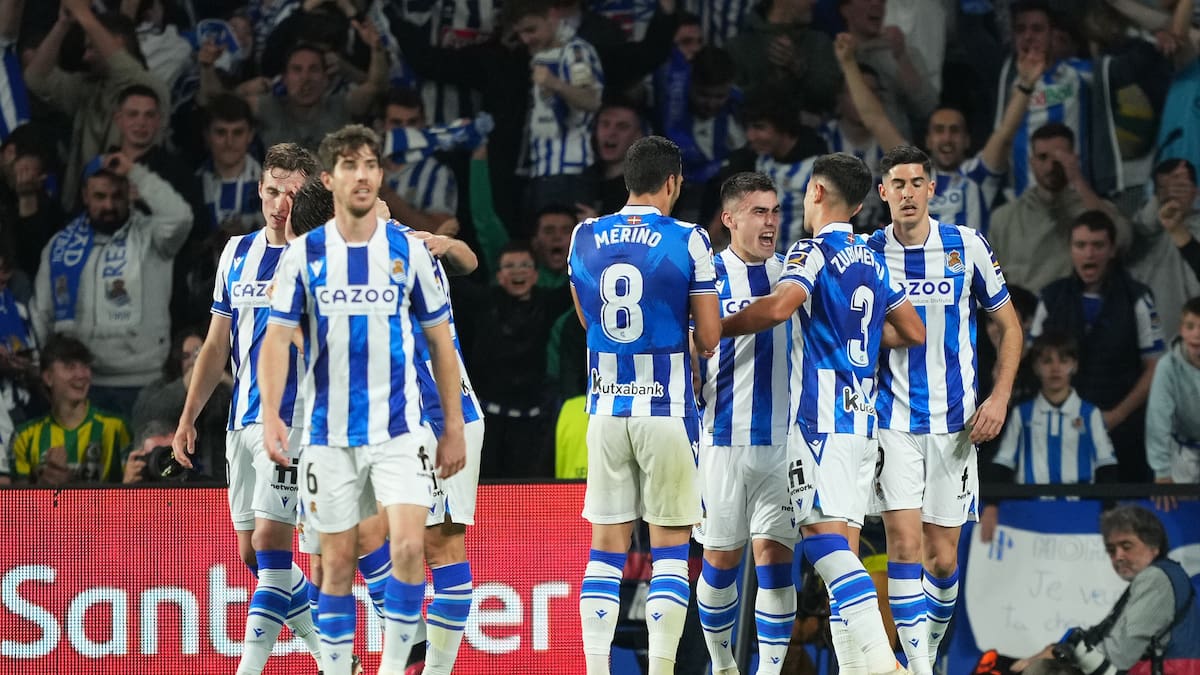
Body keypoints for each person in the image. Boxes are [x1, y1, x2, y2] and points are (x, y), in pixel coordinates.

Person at [260, 124, 466, 675]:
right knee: (336, 564)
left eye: (370, 166)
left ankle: (396, 666)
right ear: (329, 180)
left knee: (404, 550)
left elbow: (441, 344)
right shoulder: (303, 255)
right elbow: (277, 338)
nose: (362, 176)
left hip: (400, 430)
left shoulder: (409, 251)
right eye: (350, 167)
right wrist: (273, 412)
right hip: (329, 434)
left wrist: (453, 426)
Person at [722, 152, 925, 675]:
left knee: (821, 542)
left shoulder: (811, 251)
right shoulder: (872, 257)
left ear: (813, 191)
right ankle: (864, 670)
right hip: (863, 422)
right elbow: (913, 332)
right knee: (844, 558)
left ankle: (884, 664)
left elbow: (779, 307)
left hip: (820, 421)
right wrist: (853, 335)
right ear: (860, 203)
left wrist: (714, 329)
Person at [865, 144, 1024, 675]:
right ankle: (917, 665)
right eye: (897, 184)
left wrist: (999, 397)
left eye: (917, 183)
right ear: (882, 192)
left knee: (944, 559)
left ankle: (925, 656)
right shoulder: (867, 254)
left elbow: (1009, 327)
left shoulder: (967, 246)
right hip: (891, 424)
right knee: (904, 547)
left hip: (956, 427)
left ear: (932, 189)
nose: (908, 193)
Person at [567, 135, 720, 675]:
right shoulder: (688, 237)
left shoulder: (583, 235)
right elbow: (709, 336)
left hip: (606, 411)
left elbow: (587, 322)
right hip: (667, 412)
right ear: (673, 182)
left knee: (605, 550)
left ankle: (594, 668)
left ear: (627, 180)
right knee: (670, 552)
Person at [171, 143, 323, 675]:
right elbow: (216, 345)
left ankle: (250, 666)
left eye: (294, 193)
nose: (282, 202)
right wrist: (188, 417)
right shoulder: (237, 251)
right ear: (260, 189)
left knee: (270, 543)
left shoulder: (321, 254)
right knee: (252, 555)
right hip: (242, 420)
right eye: (274, 189)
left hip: (296, 419)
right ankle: (332, 654)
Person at [694, 172, 796, 675]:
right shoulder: (705, 276)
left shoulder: (795, 275)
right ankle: (723, 664)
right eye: (759, 212)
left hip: (784, 443)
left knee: (776, 559)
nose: (771, 222)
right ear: (730, 219)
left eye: (775, 211)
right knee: (720, 562)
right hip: (720, 439)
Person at [31, 150, 192, 420]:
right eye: (99, 196)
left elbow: (181, 217)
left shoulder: (153, 237)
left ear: (129, 193)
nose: (108, 205)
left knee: (143, 462)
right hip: (83, 383)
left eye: (116, 196)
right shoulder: (60, 248)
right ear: (84, 196)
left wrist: (135, 172)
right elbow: (41, 313)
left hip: (145, 381)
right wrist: (45, 371)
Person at [1030, 210, 1166, 481]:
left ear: (1112, 250)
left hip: (1123, 428)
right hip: (1061, 428)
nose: (1089, 254)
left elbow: (1155, 367)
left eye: (1097, 245)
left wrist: (1116, 415)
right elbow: (1032, 361)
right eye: (1081, 245)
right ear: (1071, 249)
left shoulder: (1137, 298)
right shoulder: (1051, 297)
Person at [1011, 504, 1200, 675]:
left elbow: (1116, 658)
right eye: (1111, 550)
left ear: (1154, 547)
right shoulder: (1161, 576)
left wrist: (1057, 653)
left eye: (1127, 546)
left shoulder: (1155, 579)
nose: (1118, 556)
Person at [24, 0, 170, 210]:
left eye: (91, 47)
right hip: (84, 210)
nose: (86, 56)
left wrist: (83, 13)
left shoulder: (150, 87)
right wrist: (63, 24)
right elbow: (35, 79)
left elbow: (125, 68)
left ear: (117, 43)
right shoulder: (88, 87)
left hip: (134, 208)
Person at [980, 332, 1119, 541]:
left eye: (1064, 360)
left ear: (1075, 365)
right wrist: (991, 505)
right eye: (1047, 361)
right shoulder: (1022, 414)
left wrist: (1108, 511)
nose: (1055, 368)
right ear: (1036, 367)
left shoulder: (1090, 414)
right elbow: (1003, 464)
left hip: (1081, 514)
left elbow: (1107, 466)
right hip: (1032, 517)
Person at [988, 123, 1131, 294]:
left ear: (1073, 159)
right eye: (1043, 158)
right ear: (1032, 163)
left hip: (1074, 313)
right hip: (1022, 314)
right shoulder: (1004, 217)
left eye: (1059, 158)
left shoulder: (1092, 208)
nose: (1050, 167)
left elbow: (1122, 240)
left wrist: (1077, 178)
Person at [11, 335, 132, 485]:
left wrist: (69, 484)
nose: (81, 375)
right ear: (48, 378)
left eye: (85, 366)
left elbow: (134, 494)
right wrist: (42, 485)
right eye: (70, 367)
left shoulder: (116, 428)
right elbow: (16, 504)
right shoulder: (24, 437)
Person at [1146, 297, 1200, 497]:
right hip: (1181, 452)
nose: (1197, 334)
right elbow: (1158, 420)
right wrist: (1161, 472)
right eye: (1190, 326)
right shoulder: (1167, 366)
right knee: (1175, 510)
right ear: (1181, 330)